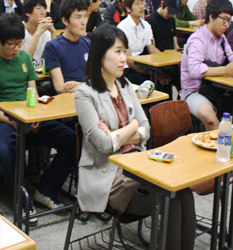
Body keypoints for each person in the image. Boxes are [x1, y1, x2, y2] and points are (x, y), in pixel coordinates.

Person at [75, 24, 196, 249]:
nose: (124, 58)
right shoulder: (85, 94)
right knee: (170, 200)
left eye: (125, 51)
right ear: (100, 55)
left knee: (184, 193)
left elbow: (145, 128)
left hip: (138, 165)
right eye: (118, 52)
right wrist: (133, 127)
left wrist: (120, 134)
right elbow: (103, 145)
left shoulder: (125, 85)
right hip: (110, 177)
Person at [0, 13, 76, 222]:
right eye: (11, 44)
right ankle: (21, 200)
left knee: (71, 139)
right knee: (5, 151)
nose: (16, 48)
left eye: (19, 43)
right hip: (5, 120)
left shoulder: (23, 58)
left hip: (29, 116)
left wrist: (36, 115)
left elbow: (33, 91)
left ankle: (46, 190)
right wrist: (12, 121)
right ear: (0, 41)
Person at [180, 0, 233, 130]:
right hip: (194, 91)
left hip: (216, 89)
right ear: (211, 17)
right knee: (209, 115)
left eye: (229, 20)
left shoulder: (222, 38)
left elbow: (232, 57)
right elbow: (195, 70)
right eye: (224, 19)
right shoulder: (198, 39)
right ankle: (220, 141)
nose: (227, 24)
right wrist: (225, 70)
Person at [44, 0, 90, 94]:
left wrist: (79, 85)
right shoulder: (53, 47)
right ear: (65, 21)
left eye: (85, 16)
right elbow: (60, 88)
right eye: (78, 17)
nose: (83, 22)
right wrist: (89, 86)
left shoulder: (88, 44)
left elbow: (98, 81)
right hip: (66, 99)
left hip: (89, 97)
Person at [117, 0, 159, 85]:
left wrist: (163, 65)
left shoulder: (146, 25)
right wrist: (148, 72)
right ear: (128, 9)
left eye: (142, 3)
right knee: (151, 81)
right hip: (125, 68)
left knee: (164, 79)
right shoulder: (122, 27)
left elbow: (152, 51)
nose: (141, 6)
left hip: (139, 65)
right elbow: (129, 61)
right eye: (137, 4)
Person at [146, 0, 182, 92]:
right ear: (162, 4)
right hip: (159, 61)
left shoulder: (172, 21)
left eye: (173, 13)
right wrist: (165, 62)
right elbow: (152, 49)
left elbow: (175, 44)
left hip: (171, 61)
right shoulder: (151, 21)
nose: (170, 15)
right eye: (169, 11)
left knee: (185, 76)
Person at [22, 0, 56, 66]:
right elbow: (24, 61)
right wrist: (37, 34)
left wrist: (53, 33)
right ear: (27, 12)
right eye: (38, 8)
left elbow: (54, 59)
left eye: (44, 8)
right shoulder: (18, 30)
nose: (43, 13)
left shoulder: (46, 33)